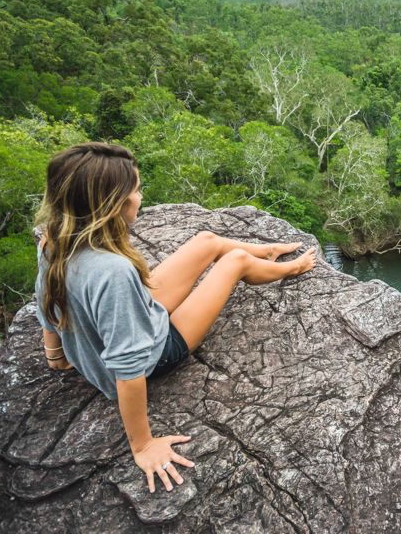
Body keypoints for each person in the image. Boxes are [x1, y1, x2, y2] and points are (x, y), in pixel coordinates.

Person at [33, 142, 316, 495]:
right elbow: (128, 368)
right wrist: (143, 445)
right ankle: (291, 267)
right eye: (135, 190)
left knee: (206, 241)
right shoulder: (113, 271)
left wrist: (57, 357)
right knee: (234, 262)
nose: (140, 196)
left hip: (134, 312)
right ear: (112, 205)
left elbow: (45, 298)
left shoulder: (55, 238)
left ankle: (268, 250)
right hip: (158, 348)